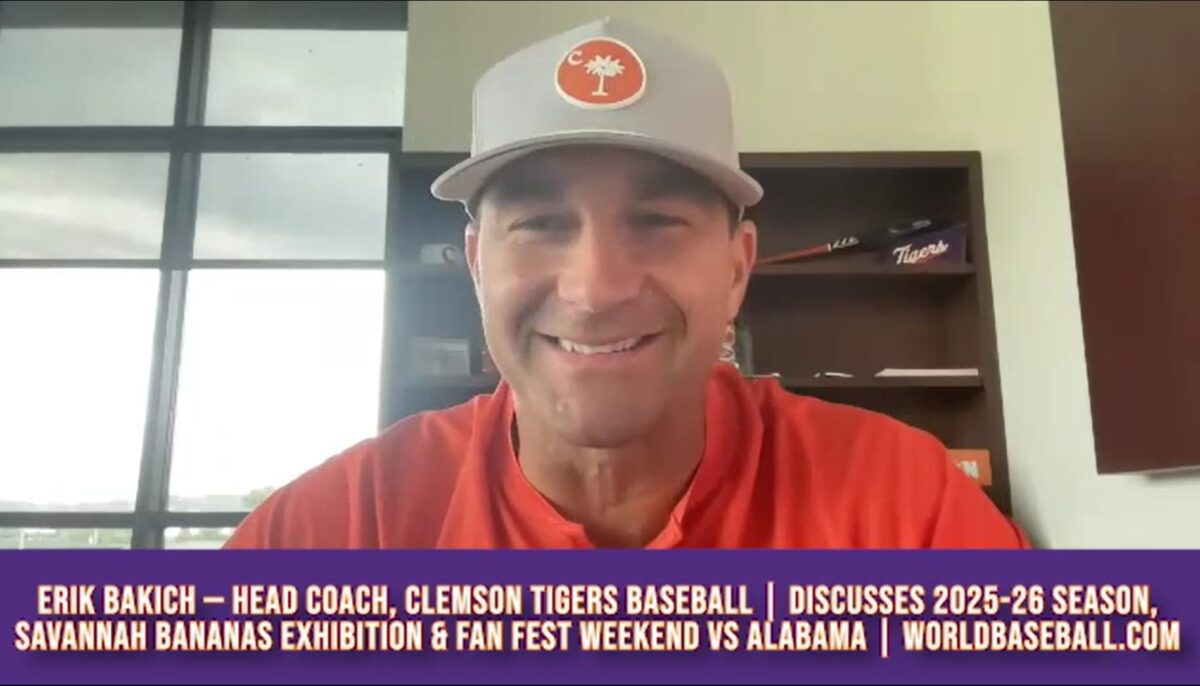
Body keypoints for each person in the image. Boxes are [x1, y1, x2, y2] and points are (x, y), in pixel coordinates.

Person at [224, 18, 1028, 549]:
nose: (596, 288)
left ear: (738, 267)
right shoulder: (337, 532)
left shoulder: (905, 510)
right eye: (541, 224)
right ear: (476, 264)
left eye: (657, 222)